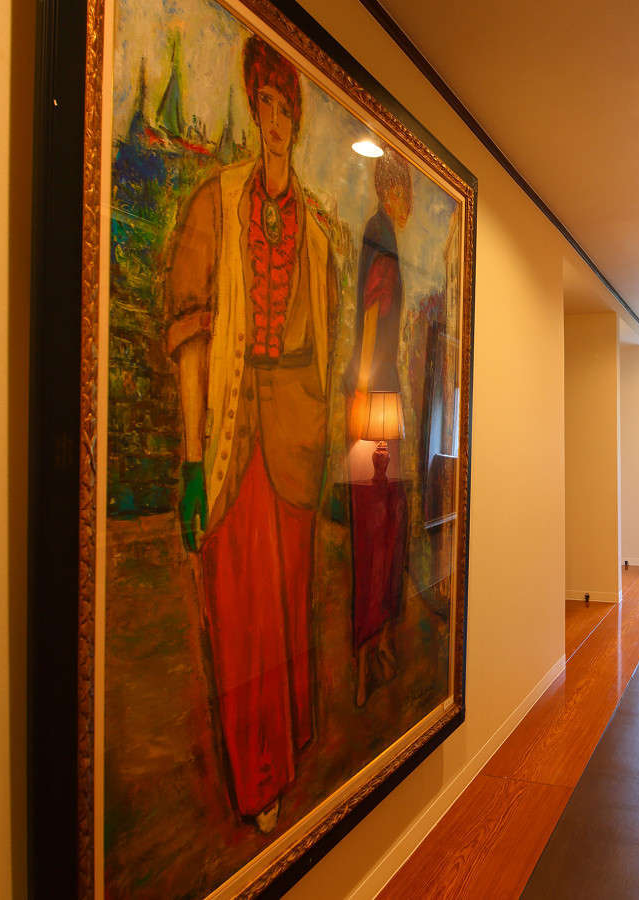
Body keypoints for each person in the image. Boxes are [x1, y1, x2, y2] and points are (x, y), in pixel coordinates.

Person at [164, 35, 336, 834]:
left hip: (293, 444)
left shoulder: (318, 229)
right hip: (232, 433)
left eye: (284, 108)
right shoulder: (216, 201)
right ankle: (254, 774)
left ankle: (286, 753)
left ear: (296, 120)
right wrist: (193, 460)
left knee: (287, 604)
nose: (274, 120)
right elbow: (191, 337)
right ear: (252, 107)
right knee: (237, 609)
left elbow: (326, 346)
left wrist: (320, 430)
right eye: (264, 104)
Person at [344, 152, 412, 706]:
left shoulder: (379, 236)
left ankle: (381, 640)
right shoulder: (381, 237)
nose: (406, 205)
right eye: (404, 193)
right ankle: (372, 642)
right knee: (377, 534)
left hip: (380, 385)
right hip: (376, 388)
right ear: (394, 192)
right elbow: (371, 316)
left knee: (387, 532)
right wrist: (365, 388)